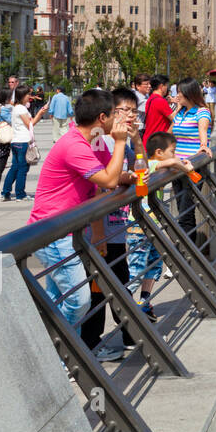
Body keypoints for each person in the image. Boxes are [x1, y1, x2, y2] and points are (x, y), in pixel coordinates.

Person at [28, 89, 128, 331]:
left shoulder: (92, 140)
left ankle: (58, 355)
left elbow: (109, 175)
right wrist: (121, 141)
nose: (120, 119)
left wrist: (129, 176)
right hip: (53, 233)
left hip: (70, 230)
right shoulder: (74, 144)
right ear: (102, 118)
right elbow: (108, 181)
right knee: (77, 300)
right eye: (116, 114)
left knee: (58, 300)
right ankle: (59, 354)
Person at [80, 87, 142, 360]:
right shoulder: (100, 142)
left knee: (118, 284)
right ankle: (92, 345)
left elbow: (143, 180)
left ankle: (129, 336)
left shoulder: (122, 143)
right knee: (99, 289)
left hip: (117, 229)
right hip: (100, 231)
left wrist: (138, 142)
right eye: (125, 111)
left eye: (134, 111)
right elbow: (98, 187)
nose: (131, 116)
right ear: (108, 114)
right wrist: (99, 234)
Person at [127, 130, 193, 317]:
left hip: (154, 224)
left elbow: (172, 161)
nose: (175, 154)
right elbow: (170, 162)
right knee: (137, 269)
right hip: (139, 226)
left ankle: (144, 302)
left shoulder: (161, 164)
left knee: (154, 265)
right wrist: (181, 165)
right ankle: (125, 305)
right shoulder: (151, 164)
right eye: (172, 150)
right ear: (158, 152)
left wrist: (179, 161)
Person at [170, 78, 213, 244]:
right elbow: (170, 133)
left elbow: (203, 129)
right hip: (176, 167)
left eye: (180, 92)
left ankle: (187, 256)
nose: (176, 95)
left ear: (189, 93)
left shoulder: (202, 112)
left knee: (186, 212)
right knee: (182, 209)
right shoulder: (180, 113)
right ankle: (188, 253)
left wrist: (203, 145)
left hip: (192, 167)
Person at [1, 85, 35, 202]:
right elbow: (30, 124)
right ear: (22, 96)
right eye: (27, 95)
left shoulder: (17, 107)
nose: (29, 96)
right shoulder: (21, 108)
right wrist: (41, 113)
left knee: (15, 167)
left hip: (16, 141)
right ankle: (20, 194)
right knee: (22, 169)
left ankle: (6, 192)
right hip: (22, 141)